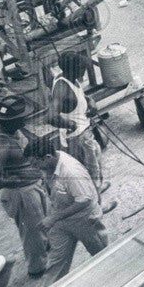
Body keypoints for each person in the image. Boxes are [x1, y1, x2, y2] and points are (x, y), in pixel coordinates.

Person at [0, 96, 51, 278]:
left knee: (44, 220)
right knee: (32, 232)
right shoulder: (1, 143)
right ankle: (37, 268)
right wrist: (16, 182)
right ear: (11, 121)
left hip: (34, 185)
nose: (26, 119)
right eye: (22, 117)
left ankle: (45, 245)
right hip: (22, 193)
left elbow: (33, 142)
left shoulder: (17, 129)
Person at [28, 137, 110, 283]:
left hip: (85, 221)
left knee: (103, 257)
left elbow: (84, 200)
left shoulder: (71, 172)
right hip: (61, 221)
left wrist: (53, 218)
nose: (34, 168)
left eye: (36, 163)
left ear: (47, 157)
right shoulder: (51, 162)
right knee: (56, 265)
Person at [50, 50, 114, 212]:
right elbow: (50, 116)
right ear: (73, 69)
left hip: (85, 133)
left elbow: (79, 95)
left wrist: (89, 100)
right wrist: (71, 125)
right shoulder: (62, 89)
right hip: (78, 138)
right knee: (90, 172)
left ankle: (98, 188)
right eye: (81, 69)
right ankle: (98, 206)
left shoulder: (67, 78)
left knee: (97, 158)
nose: (84, 71)